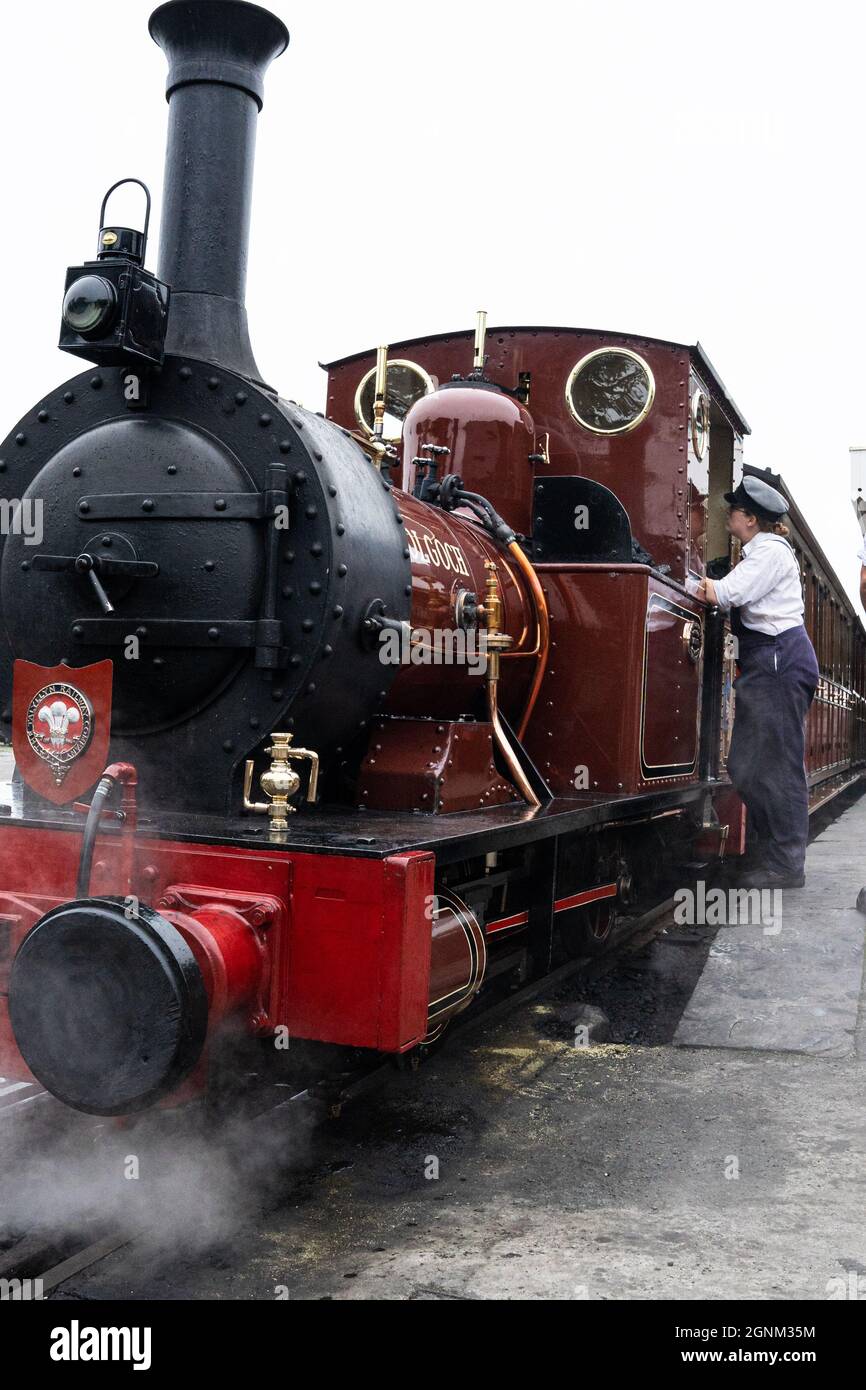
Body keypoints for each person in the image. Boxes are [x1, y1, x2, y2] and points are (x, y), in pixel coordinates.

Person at [697, 476, 819, 889]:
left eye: (733, 510)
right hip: (771, 662)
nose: (727, 514)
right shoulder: (760, 552)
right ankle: (772, 857)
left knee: (780, 767)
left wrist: (691, 578)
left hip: (779, 660)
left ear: (750, 519)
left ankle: (786, 866)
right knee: (746, 767)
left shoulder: (768, 553)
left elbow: (722, 595)